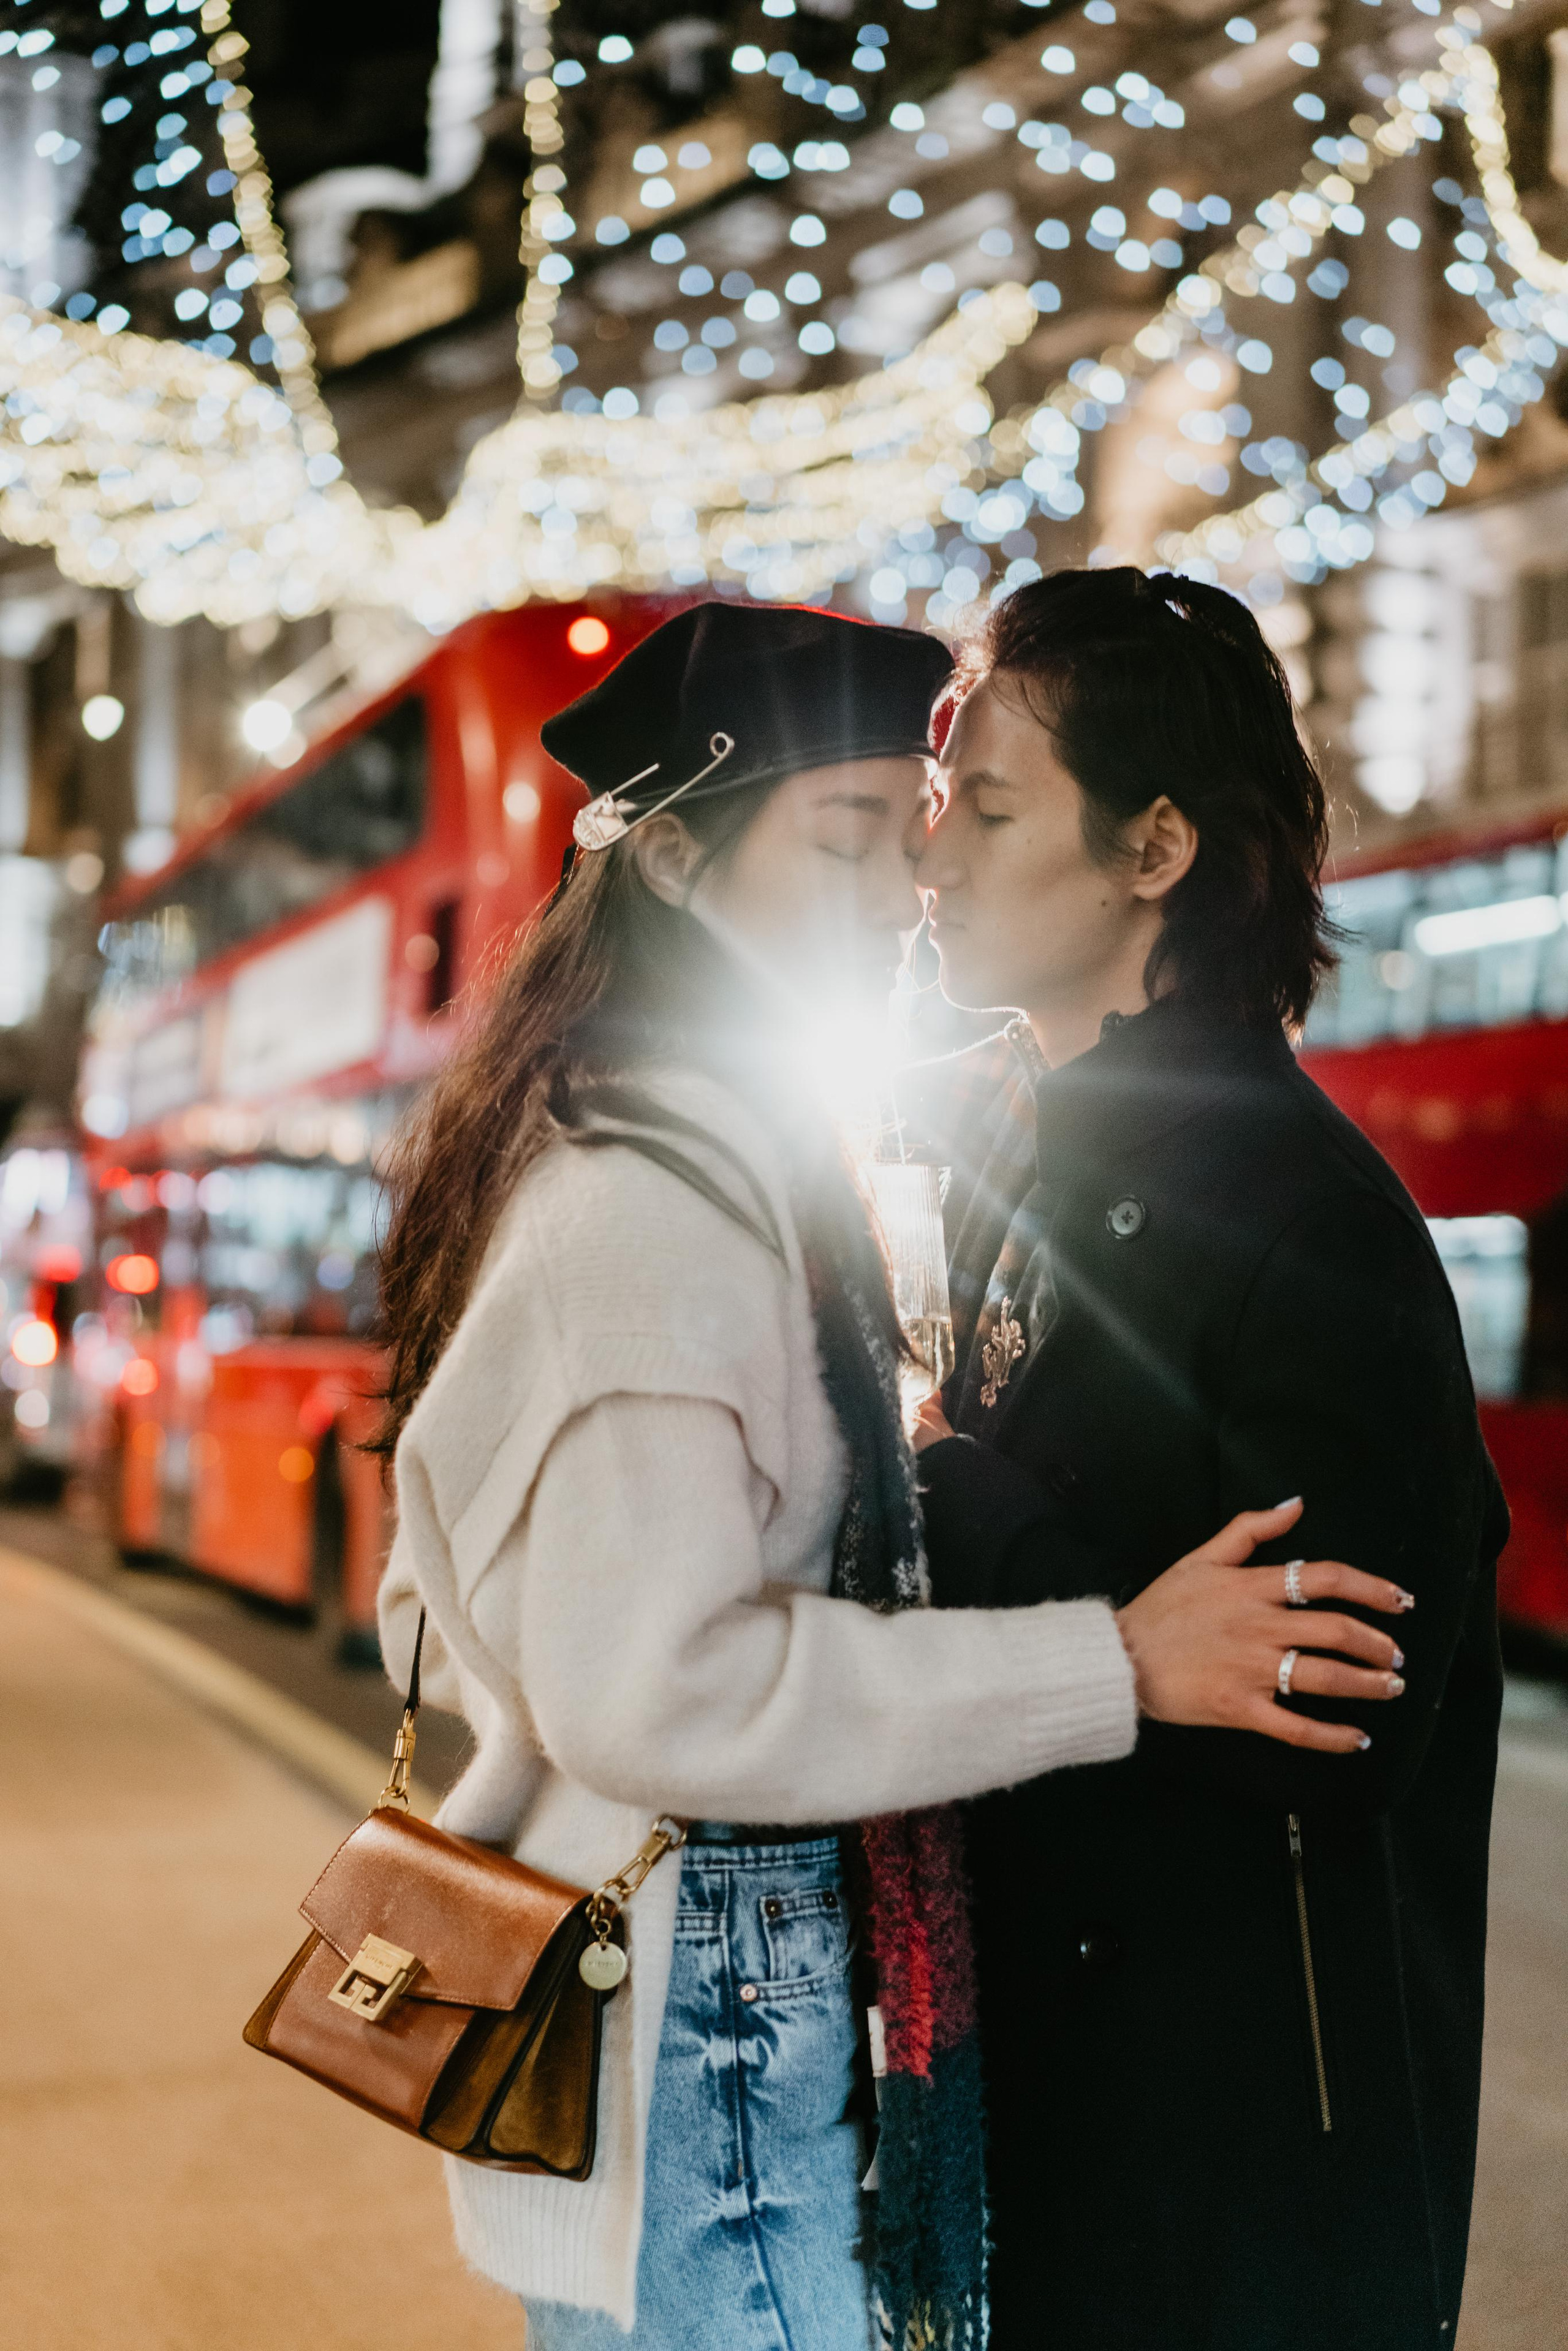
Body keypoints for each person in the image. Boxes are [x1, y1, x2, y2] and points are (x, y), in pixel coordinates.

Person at [373, 601, 1407, 2351]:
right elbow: (660, 1691)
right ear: (684, 867)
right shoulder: (651, 1206)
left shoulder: (687, 1150)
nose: (905, 878)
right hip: (710, 2002)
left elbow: (469, 1596)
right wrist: (1120, 1660)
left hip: (718, 1991)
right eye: (850, 832)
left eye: (917, 822)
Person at [907, 566, 1508, 2351]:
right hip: (1064, 2104)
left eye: (989, 811)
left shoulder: (1301, 1208)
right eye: (935, 811)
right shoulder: (1016, 1162)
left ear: (1153, 848)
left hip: (1247, 2176)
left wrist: (949, 1477)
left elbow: (1342, 1717)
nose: (930, 864)